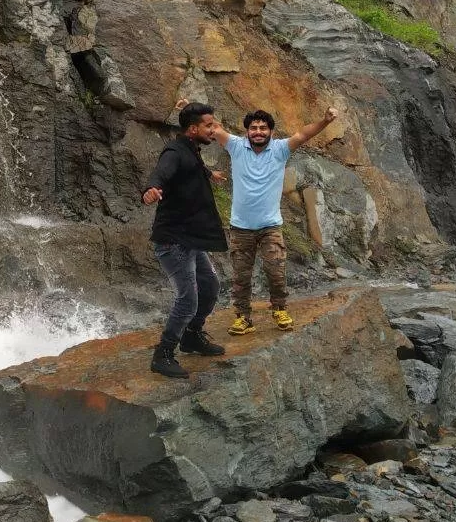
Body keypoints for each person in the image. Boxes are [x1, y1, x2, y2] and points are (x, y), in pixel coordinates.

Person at [210, 105, 338, 335]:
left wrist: (325, 121)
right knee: (241, 277)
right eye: (253, 128)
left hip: (270, 227)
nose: (258, 131)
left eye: (263, 128)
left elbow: (303, 134)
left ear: (271, 131)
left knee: (276, 271)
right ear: (247, 131)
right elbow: (214, 127)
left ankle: (279, 309)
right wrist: (188, 106)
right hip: (240, 228)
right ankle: (243, 318)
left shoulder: (280, 149)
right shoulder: (236, 146)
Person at [142, 103, 228, 379]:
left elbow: (193, 167)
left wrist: (209, 174)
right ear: (193, 129)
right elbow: (162, 172)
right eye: (209, 126)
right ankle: (163, 353)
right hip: (173, 241)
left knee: (210, 285)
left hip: (188, 239)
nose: (213, 130)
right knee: (188, 299)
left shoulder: (190, 150)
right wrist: (152, 188)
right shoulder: (174, 152)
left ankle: (191, 337)